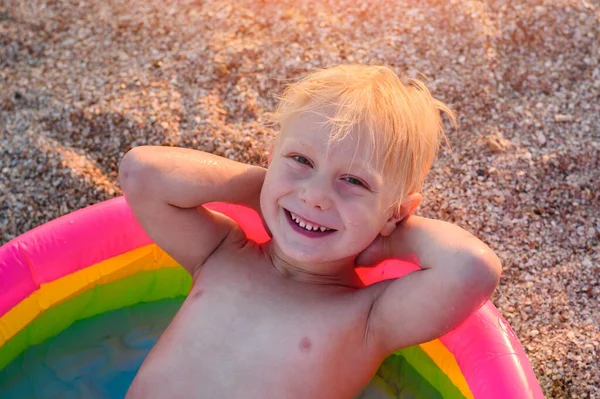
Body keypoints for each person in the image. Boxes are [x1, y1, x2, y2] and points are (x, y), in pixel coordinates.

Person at [119, 64, 502, 399]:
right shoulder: (219, 254)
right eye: (300, 160)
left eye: (353, 181)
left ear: (396, 211)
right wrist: (268, 190)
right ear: (272, 161)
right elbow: (143, 173)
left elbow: (472, 269)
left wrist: (387, 236)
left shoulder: (366, 318)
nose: (315, 196)